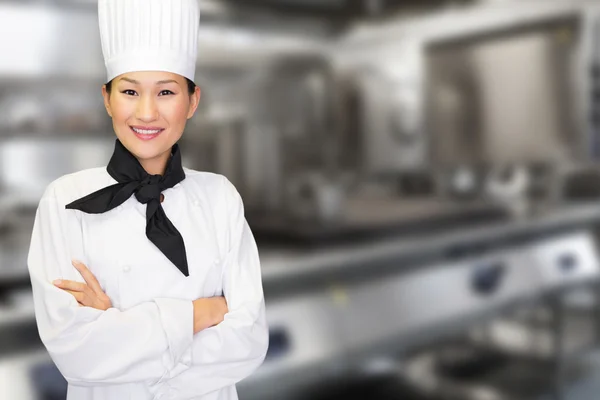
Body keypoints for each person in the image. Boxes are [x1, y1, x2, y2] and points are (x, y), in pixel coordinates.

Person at [26, 0, 269, 399]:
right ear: (107, 99)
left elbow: (249, 342)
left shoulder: (220, 197)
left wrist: (119, 333)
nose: (146, 112)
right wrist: (198, 314)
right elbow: (77, 356)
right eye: (129, 91)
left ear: (192, 101)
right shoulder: (63, 201)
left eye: (167, 91)